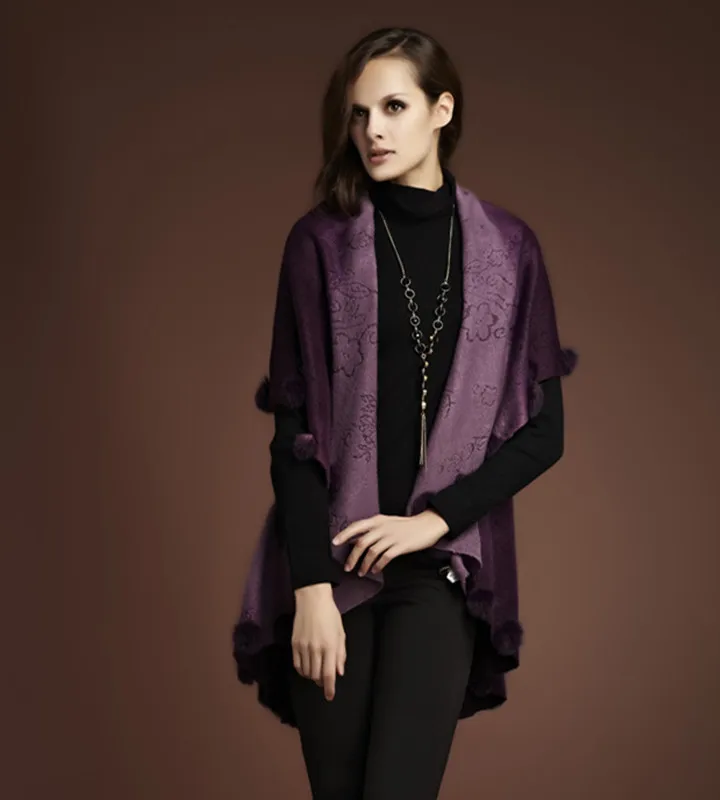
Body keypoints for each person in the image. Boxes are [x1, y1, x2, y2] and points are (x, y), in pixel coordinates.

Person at [233, 25, 578, 800]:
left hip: (438, 570)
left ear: (441, 110)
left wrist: (431, 522)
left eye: (393, 107)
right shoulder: (320, 244)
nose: (373, 131)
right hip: (335, 562)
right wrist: (311, 591)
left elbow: (544, 431)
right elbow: (293, 434)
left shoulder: (509, 249)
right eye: (358, 114)